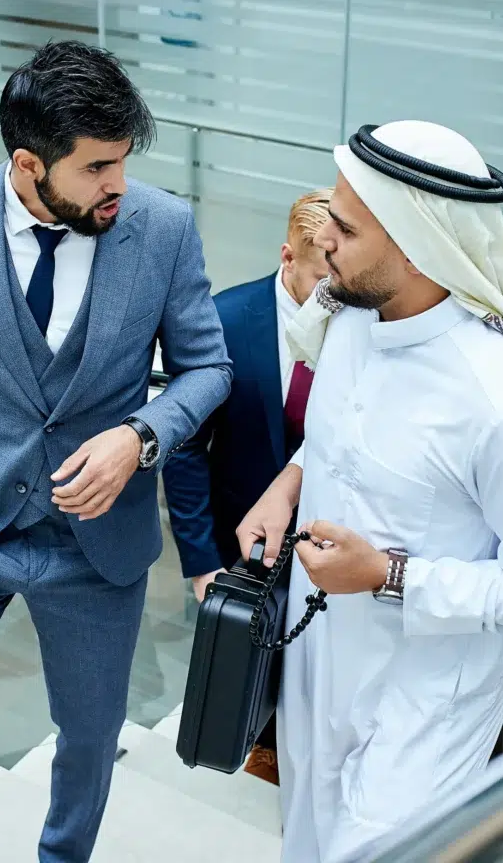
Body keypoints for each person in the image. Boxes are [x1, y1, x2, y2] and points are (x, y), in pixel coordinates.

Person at [0, 41, 232, 863]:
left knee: (90, 738)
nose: (119, 186)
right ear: (30, 164)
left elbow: (207, 369)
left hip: (96, 549)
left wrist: (140, 438)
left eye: (124, 162)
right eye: (98, 168)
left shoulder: (164, 228)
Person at [236, 121, 503, 863]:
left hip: (427, 704)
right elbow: (349, 438)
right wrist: (287, 482)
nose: (324, 238)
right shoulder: (350, 318)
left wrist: (390, 576)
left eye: (344, 226)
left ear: (412, 241)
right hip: (318, 668)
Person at [162, 188, 331, 785]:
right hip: (245, 547)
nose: (333, 295)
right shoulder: (225, 321)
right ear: (288, 258)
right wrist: (203, 562)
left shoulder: (361, 326)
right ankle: (261, 750)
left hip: (330, 545)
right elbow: (184, 450)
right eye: (320, 278)